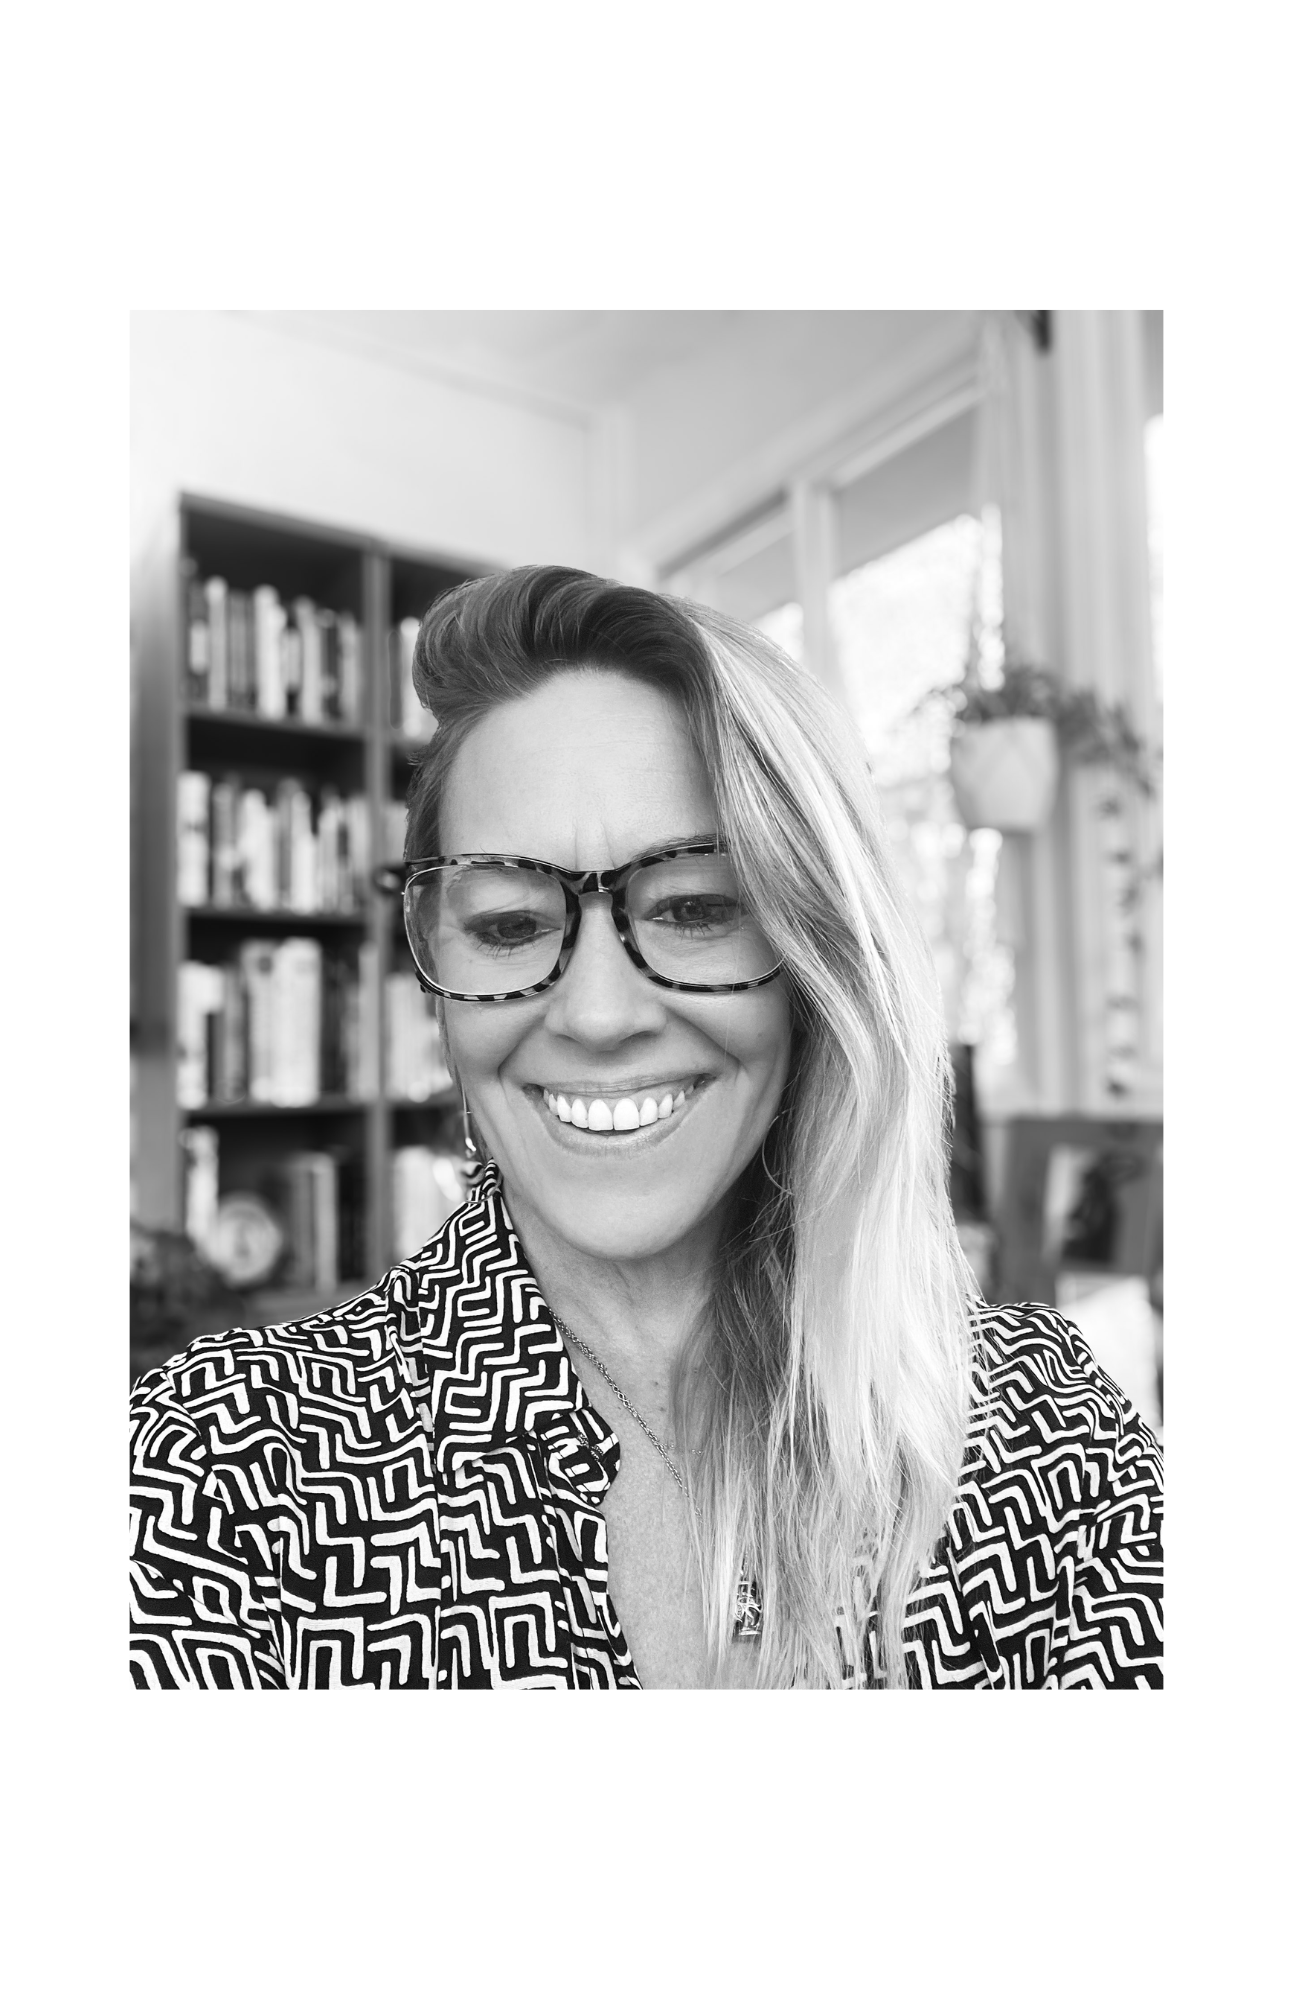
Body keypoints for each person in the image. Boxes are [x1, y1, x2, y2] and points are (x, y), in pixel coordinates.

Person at [129, 566, 1163, 1689]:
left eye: (697, 907)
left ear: (820, 959)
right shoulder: (206, 1473)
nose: (597, 1014)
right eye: (510, 924)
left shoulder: (1048, 1433)